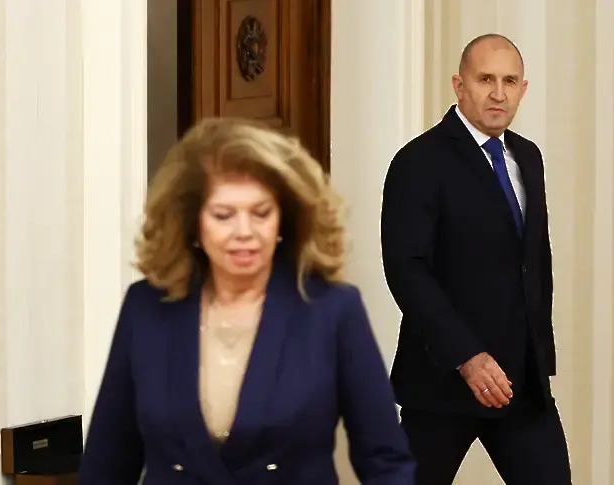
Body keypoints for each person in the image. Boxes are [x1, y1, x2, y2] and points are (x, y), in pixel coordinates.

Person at [78, 118, 415, 485]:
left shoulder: (332, 309)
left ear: (283, 219)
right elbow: (107, 461)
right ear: (192, 223)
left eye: (261, 213)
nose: (244, 232)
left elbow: (385, 461)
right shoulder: (146, 307)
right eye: (224, 216)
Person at [380, 34, 572, 484]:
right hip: (443, 382)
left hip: (519, 383)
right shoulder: (418, 161)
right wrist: (467, 356)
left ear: (523, 89)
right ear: (459, 85)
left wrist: (539, 357)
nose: (498, 93)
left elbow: (533, 263)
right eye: (485, 79)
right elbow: (407, 270)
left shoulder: (528, 157)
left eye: (510, 81)